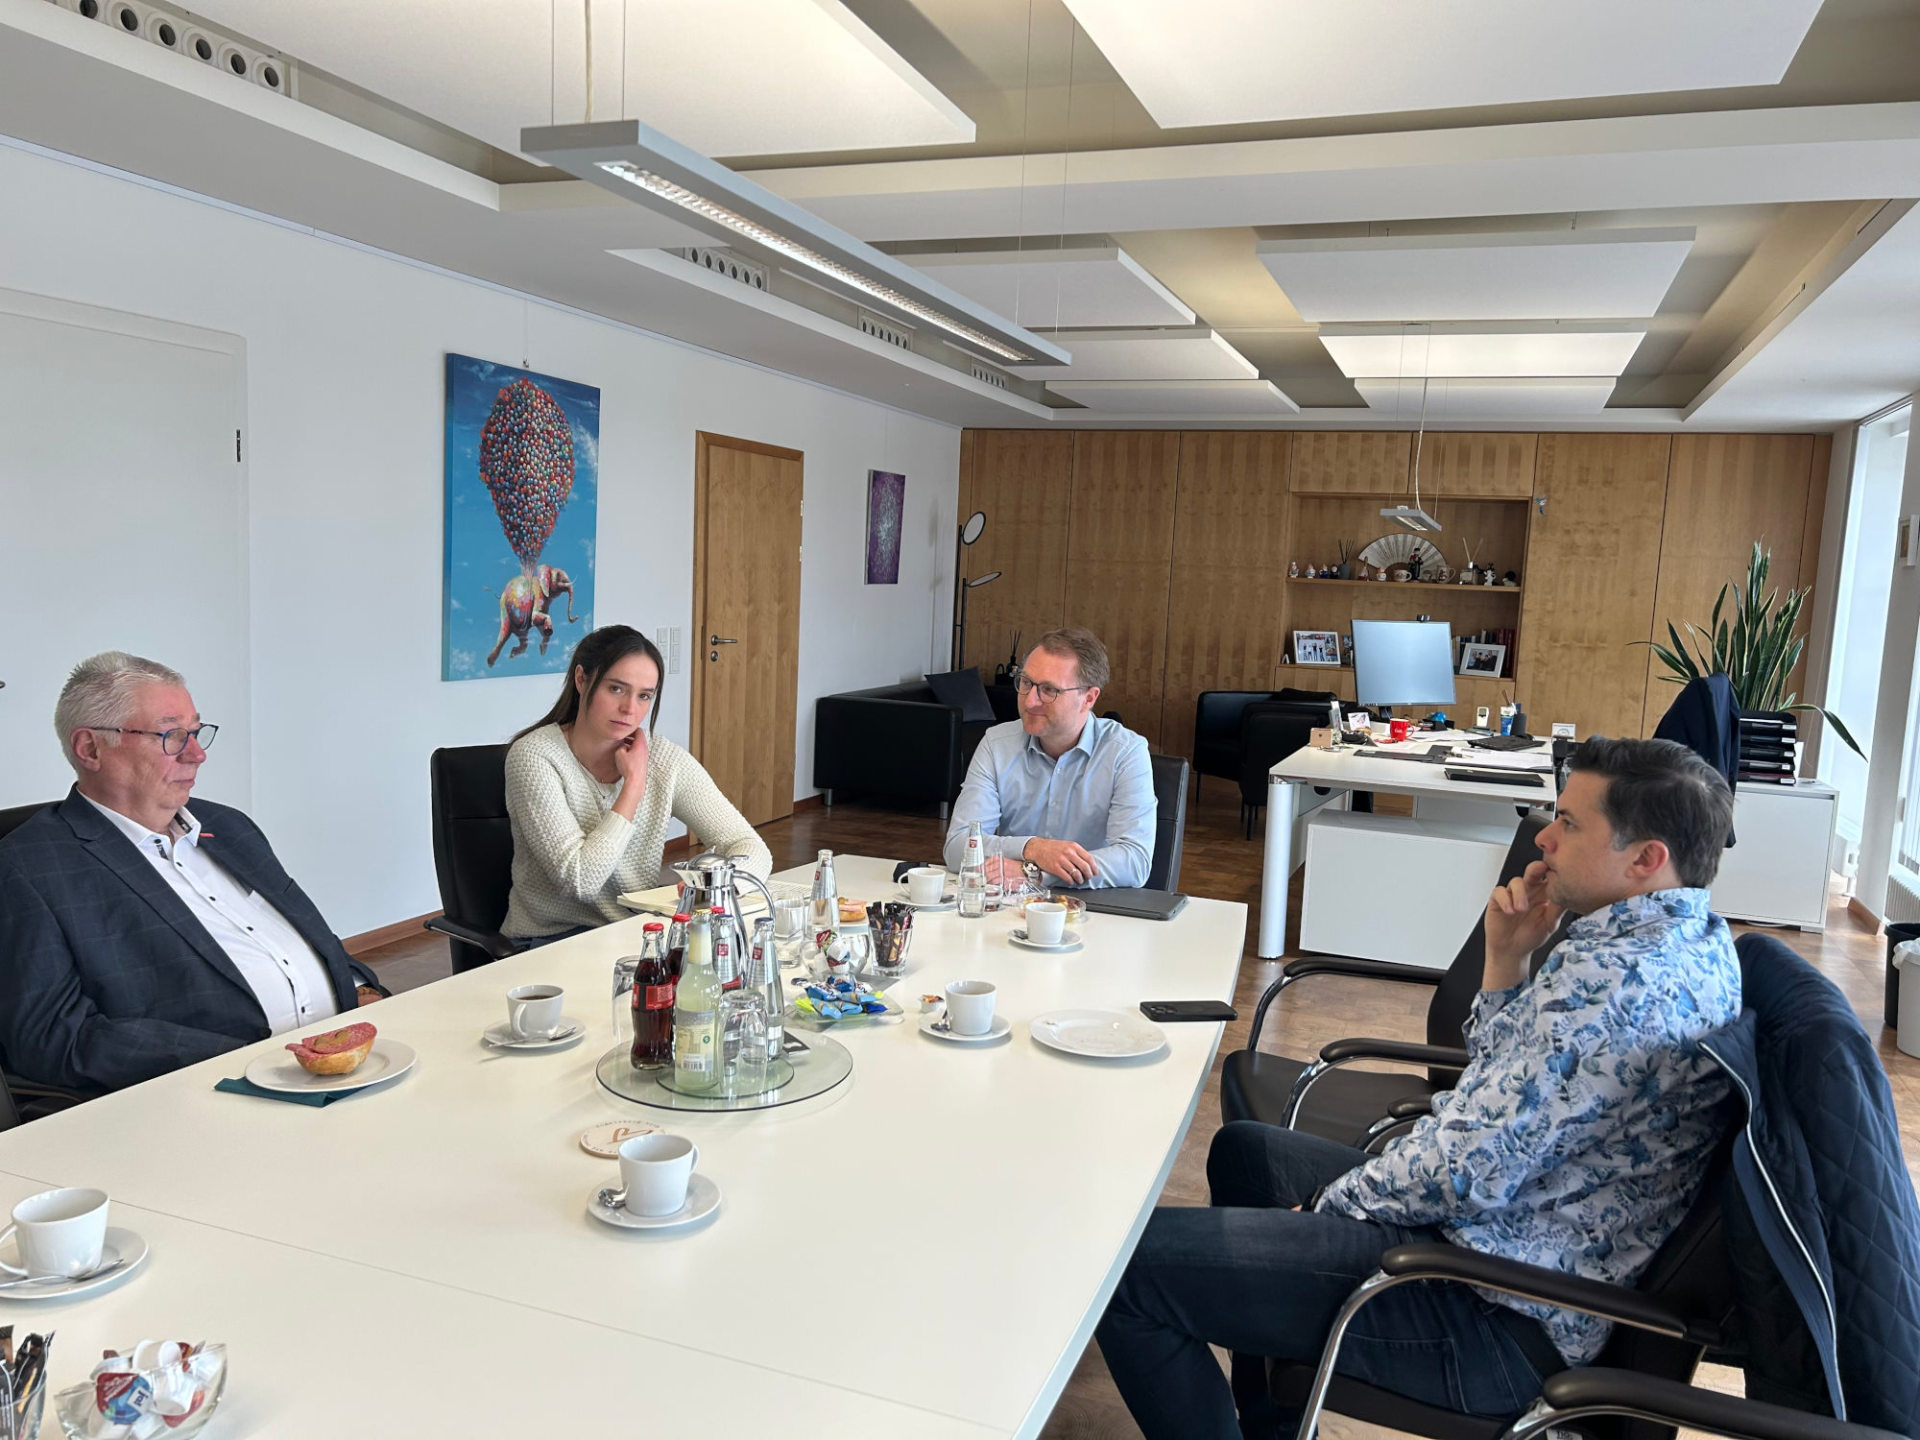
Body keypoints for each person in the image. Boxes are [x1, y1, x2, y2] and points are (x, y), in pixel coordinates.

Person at [1095, 737, 1742, 1440]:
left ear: (1647, 859)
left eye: (1571, 824)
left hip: (1492, 1316)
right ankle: (1274, 1424)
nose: (1547, 839)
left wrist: (1328, 1207)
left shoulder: (1624, 989)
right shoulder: (1660, 942)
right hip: (1496, 1244)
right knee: (1247, 1154)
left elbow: (1470, 1172)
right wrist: (1506, 956)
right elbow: (1497, 1084)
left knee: (1124, 1273)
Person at [0, 652, 380, 1094]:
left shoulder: (230, 826)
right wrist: (244, 1060)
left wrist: (361, 992)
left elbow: (308, 941)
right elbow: (53, 1040)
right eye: (171, 736)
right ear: (90, 749)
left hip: (350, 1060)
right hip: (216, 1093)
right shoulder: (27, 868)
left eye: (197, 733)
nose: (197, 755)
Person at [502, 625, 771, 941]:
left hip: (637, 933)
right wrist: (633, 784)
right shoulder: (535, 757)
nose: (631, 709)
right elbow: (581, 882)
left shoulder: (664, 758)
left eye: (644, 696)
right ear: (581, 679)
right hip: (548, 940)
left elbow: (751, 847)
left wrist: (719, 889)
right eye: (616, 689)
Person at [942, 626, 1156, 890]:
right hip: (1011, 909)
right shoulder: (996, 745)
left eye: (1049, 690)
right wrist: (1032, 848)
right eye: (1026, 683)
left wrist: (1033, 872)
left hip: (1093, 908)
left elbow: (1134, 861)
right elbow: (957, 847)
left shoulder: (1126, 752)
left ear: (1088, 698)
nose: (1030, 701)